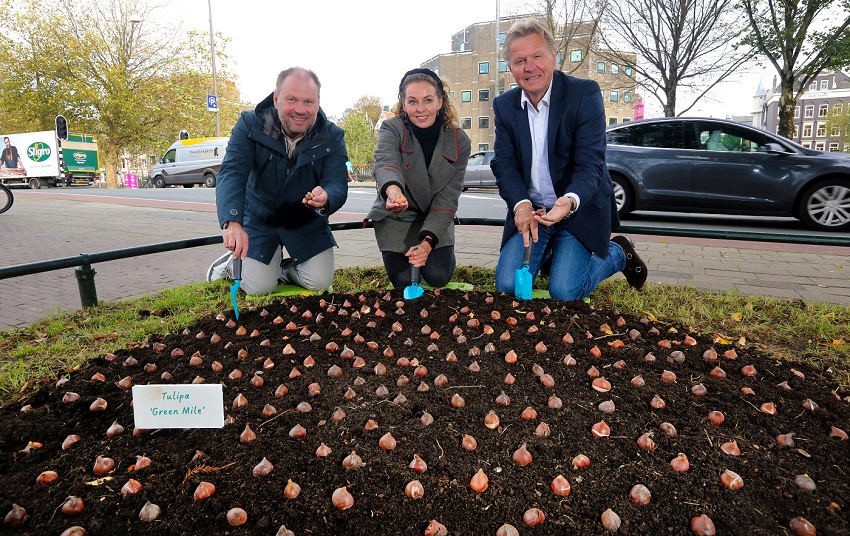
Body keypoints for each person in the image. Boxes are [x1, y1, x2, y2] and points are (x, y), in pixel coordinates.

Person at [490, 20, 647, 301]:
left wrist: (569, 201)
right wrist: (521, 205)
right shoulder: (504, 106)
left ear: (553, 57)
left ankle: (618, 251)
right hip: (534, 212)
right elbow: (504, 164)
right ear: (511, 68)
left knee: (565, 291)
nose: (530, 67)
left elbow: (592, 165)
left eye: (537, 56)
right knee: (507, 286)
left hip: (577, 209)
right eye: (520, 60)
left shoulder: (583, 94)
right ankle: (553, 252)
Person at [207, 67, 349, 295]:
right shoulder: (249, 124)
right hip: (259, 217)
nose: (300, 110)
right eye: (291, 99)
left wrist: (327, 196)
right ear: (276, 98)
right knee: (258, 288)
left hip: (304, 219)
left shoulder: (332, 135)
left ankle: (280, 269)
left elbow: (337, 181)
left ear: (318, 102)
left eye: (309, 102)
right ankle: (229, 265)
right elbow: (232, 173)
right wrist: (232, 222)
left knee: (319, 283)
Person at [367, 68, 471, 290]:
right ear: (403, 104)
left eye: (428, 100)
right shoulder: (392, 128)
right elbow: (386, 162)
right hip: (398, 218)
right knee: (404, 281)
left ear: (440, 102)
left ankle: (435, 251)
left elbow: (448, 197)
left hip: (435, 219)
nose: (421, 109)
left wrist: (427, 243)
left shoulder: (459, 141)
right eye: (412, 101)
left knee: (438, 276)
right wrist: (393, 192)